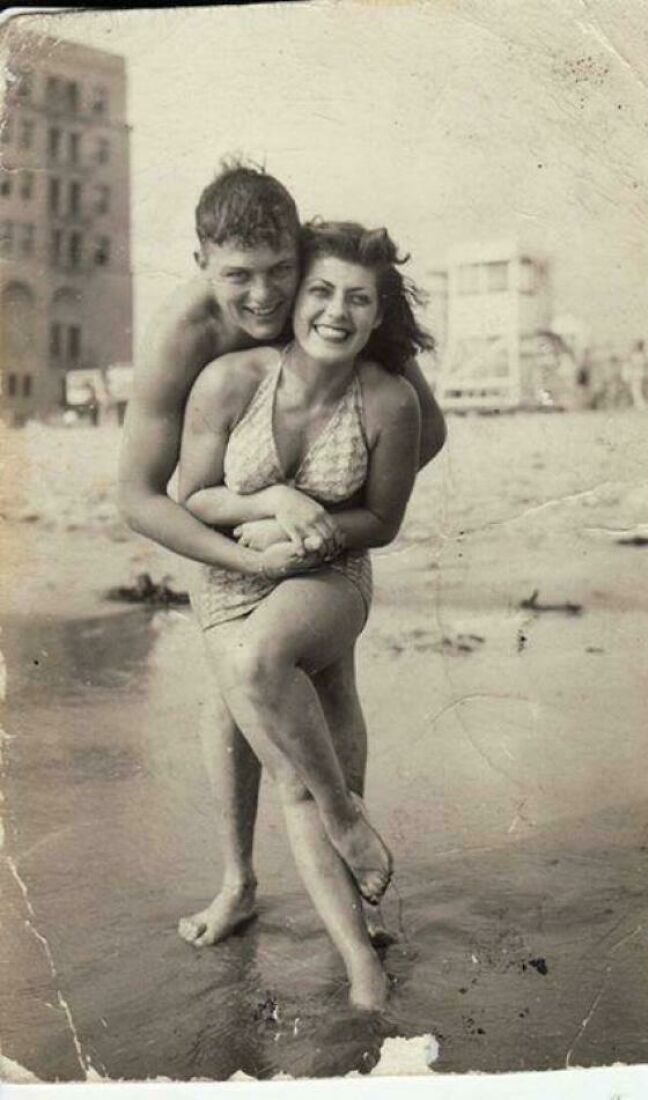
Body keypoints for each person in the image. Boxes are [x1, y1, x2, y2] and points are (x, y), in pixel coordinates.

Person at [118, 162, 446, 948]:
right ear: (202, 263)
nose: (263, 297)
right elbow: (139, 495)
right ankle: (238, 883)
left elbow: (424, 432)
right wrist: (250, 546)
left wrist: (323, 516)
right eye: (238, 277)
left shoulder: (330, 297)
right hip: (227, 524)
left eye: (278, 273)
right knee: (233, 695)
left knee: (333, 689)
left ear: (299, 256)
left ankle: (353, 885)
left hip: (318, 530)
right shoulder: (187, 333)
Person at [176, 219, 430, 1010]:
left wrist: (304, 537)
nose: (336, 311)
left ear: (379, 313)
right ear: (295, 299)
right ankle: (359, 952)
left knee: (261, 672)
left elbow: (380, 521)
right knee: (288, 765)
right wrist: (276, 499)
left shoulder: (389, 399)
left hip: (328, 572)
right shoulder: (230, 380)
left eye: (359, 299)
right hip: (225, 579)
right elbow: (192, 496)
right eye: (320, 291)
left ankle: (348, 830)